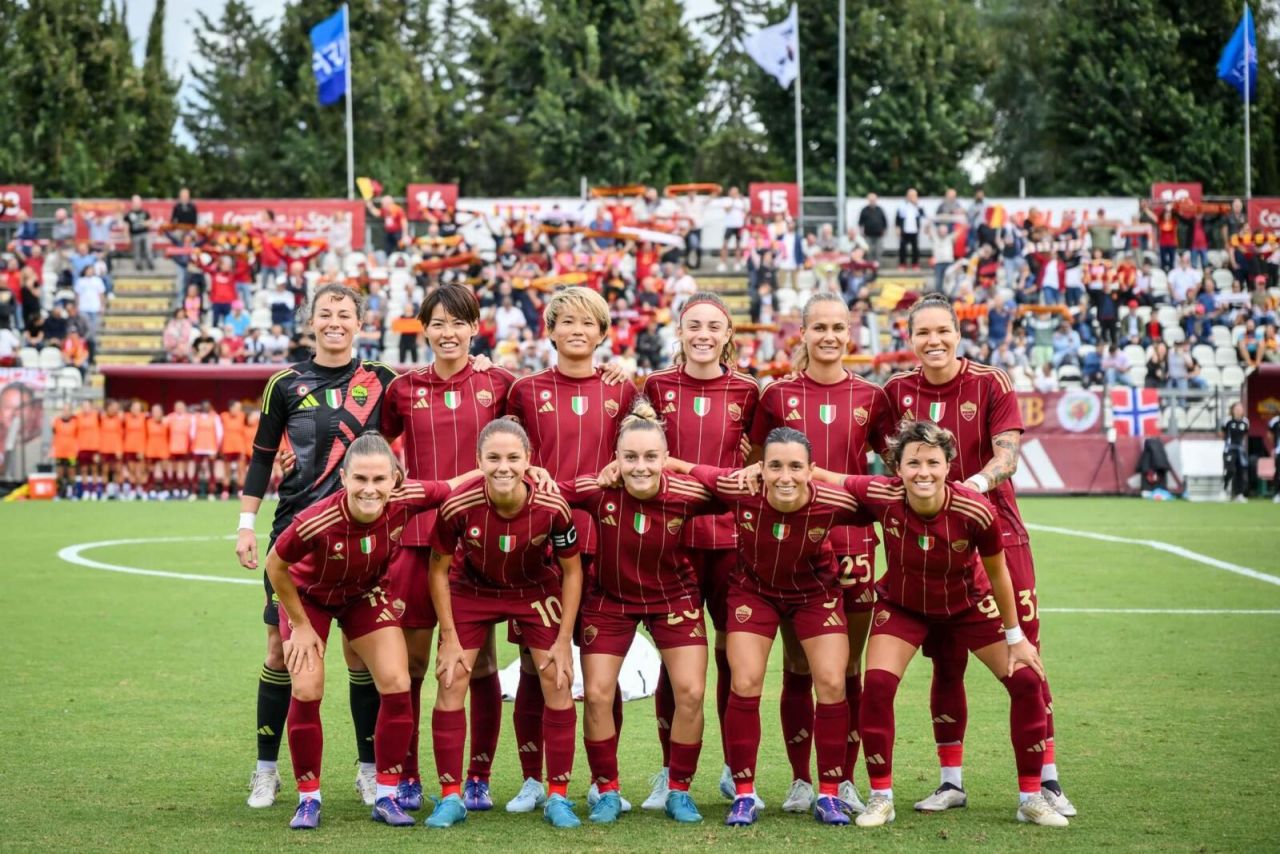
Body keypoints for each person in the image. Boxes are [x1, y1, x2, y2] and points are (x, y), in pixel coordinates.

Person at [802, 421, 1065, 828]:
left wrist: (1016, 639)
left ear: (948, 466)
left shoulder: (976, 508)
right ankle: (881, 797)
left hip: (967, 605)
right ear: (897, 469)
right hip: (904, 605)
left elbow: (998, 576)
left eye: (932, 462)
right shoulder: (882, 494)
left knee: (1027, 680)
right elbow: (833, 477)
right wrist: (792, 470)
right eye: (913, 463)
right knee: (878, 687)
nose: (923, 471)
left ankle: (1031, 796)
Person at [882, 293, 1075, 817]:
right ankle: (951, 782)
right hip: (933, 544)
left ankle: (1048, 779)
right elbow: (880, 459)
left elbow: (1007, 454)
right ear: (910, 338)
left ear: (957, 333)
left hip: (998, 535)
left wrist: (973, 485)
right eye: (923, 333)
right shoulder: (896, 391)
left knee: (1025, 655)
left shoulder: (992, 381)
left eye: (942, 331)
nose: (933, 341)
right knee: (946, 661)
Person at [235, 284, 399, 810]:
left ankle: (368, 771)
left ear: (360, 322)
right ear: (310, 322)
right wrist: (244, 525)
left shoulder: (383, 380)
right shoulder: (285, 383)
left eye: (344, 314)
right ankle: (266, 770)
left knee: (361, 658)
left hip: (364, 541)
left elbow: (432, 400)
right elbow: (263, 457)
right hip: (297, 537)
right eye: (325, 313)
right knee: (280, 655)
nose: (334, 322)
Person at [265, 433, 475, 830]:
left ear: (396, 479)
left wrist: (518, 471)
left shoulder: (406, 498)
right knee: (307, 688)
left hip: (364, 595)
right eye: (360, 479)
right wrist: (301, 625)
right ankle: (308, 800)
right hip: (310, 600)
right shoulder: (317, 519)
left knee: (397, 682)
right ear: (343, 478)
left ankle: (385, 795)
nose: (370, 489)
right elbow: (276, 565)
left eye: (380, 480)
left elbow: (455, 484)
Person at [671, 428, 867, 827]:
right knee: (744, 682)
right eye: (775, 466)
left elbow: (887, 500)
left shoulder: (832, 500)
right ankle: (744, 795)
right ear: (760, 468)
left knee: (831, 682)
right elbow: (684, 467)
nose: (785, 476)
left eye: (796, 467)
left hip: (815, 593)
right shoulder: (739, 488)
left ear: (812, 470)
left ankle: (829, 794)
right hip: (753, 592)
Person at [749, 292, 896, 814]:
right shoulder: (777, 395)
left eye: (839, 327)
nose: (830, 337)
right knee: (797, 665)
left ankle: (845, 778)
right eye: (820, 328)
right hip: (790, 548)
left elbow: (893, 467)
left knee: (845, 669)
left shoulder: (873, 397)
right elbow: (755, 465)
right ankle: (799, 779)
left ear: (850, 333)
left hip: (853, 546)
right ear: (803, 334)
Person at [379, 284, 516, 812]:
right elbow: (370, 445)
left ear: (474, 327)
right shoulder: (403, 388)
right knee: (413, 665)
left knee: (477, 663)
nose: (448, 333)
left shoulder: (499, 383)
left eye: (458, 323)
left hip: (478, 540)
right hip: (415, 539)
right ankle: (409, 774)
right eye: (437, 323)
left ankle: (478, 777)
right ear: (424, 329)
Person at [504, 287, 637, 814]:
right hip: (539, 545)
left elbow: (645, 450)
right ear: (550, 329)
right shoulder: (525, 390)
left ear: (603, 333)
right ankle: (534, 779)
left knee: (604, 667)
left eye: (589, 323)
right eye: (567, 322)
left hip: (603, 540)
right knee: (536, 665)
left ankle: (608, 782)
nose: (578, 330)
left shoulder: (623, 391)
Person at [560, 399, 720, 824]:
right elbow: (548, 493)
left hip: (674, 598)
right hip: (610, 599)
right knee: (595, 693)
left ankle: (679, 789)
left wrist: (686, 468)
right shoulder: (600, 490)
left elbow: (732, 486)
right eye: (630, 457)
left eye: (651, 457)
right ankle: (607, 789)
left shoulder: (685, 493)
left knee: (690, 692)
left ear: (666, 459)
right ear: (616, 459)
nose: (640, 467)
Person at [424, 420, 584, 829]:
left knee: (557, 677)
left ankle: (558, 796)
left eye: (513, 457)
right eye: (493, 458)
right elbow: (438, 569)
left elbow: (571, 571)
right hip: (472, 588)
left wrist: (565, 639)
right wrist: (448, 636)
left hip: (533, 588)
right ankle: (450, 796)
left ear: (528, 461)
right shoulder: (458, 505)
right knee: (452, 677)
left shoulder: (552, 506)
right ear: (478, 461)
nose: (503, 467)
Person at [637, 294, 760, 811]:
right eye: (694, 326)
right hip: (673, 541)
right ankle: (670, 770)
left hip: (733, 542)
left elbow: (758, 464)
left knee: (735, 657)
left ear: (727, 333)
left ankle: (736, 769)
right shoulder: (655, 386)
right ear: (680, 332)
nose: (703, 334)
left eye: (714, 326)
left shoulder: (750, 391)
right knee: (675, 661)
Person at [1222, 402, 1249, 503]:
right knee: (1230, 470)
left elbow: (1245, 435)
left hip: (1240, 450)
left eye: (1240, 408)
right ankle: (1225, 490)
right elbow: (1222, 433)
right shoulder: (1227, 421)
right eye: (1236, 408)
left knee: (1241, 472)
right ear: (1233, 410)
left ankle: (1239, 494)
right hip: (1229, 449)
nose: (1238, 410)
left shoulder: (1245, 422)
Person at [718, 187, 748, 272]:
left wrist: (742, 201)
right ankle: (723, 263)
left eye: (736, 192)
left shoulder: (741, 201)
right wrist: (733, 201)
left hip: (739, 225)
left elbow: (746, 211)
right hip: (729, 225)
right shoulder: (726, 200)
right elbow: (727, 210)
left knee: (738, 245)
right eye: (732, 192)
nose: (734, 194)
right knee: (725, 244)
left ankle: (737, 263)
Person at [895, 189, 924, 270]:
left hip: (914, 231)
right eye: (910, 195)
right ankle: (902, 264)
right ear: (907, 196)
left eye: (914, 195)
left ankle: (915, 264)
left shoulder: (918, 206)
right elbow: (897, 218)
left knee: (915, 249)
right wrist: (897, 228)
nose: (912, 197)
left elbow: (923, 215)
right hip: (904, 230)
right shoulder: (902, 206)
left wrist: (916, 204)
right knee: (903, 248)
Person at [124, 195, 154, 271]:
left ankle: (150, 263)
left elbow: (151, 222)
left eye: (138, 202)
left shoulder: (145, 212)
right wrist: (127, 238)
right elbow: (126, 227)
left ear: (140, 203)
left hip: (145, 233)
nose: (137, 204)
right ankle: (138, 264)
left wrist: (144, 223)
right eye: (135, 202)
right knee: (137, 249)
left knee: (148, 247)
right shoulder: (128, 214)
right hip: (134, 234)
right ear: (132, 203)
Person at [857, 193, 888, 264]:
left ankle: (877, 266)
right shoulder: (864, 210)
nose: (872, 201)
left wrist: (884, 231)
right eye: (871, 200)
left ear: (876, 200)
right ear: (868, 200)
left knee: (879, 251)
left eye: (873, 200)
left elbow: (885, 222)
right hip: (867, 235)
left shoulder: (880, 210)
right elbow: (860, 223)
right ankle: (869, 266)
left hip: (879, 235)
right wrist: (861, 232)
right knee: (868, 251)